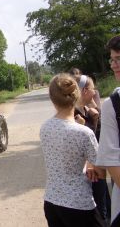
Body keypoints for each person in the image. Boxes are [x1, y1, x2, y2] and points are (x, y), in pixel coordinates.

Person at [41, 73, 105, 227]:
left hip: (51, 201)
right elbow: (101, 172)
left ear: (52, 98)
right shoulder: (84, 132)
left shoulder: (45, 128)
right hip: (79, 203)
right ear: (76, 96)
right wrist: (90, 167)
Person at [75, 74, 110, 223]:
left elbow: (99, 136)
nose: (95, 92)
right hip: (89, 172)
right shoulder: (75, 115)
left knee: (104, 204)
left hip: (96, 166)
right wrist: (86, 125)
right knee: (98, 210)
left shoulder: (87, 110)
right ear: (84, 91)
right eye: (92, 89)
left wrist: (95, 118)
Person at [96, 34, 120, 226]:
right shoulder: (113, 104)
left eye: (118, 59)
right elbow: (112, 162)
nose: (113, 65)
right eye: (112, 60)